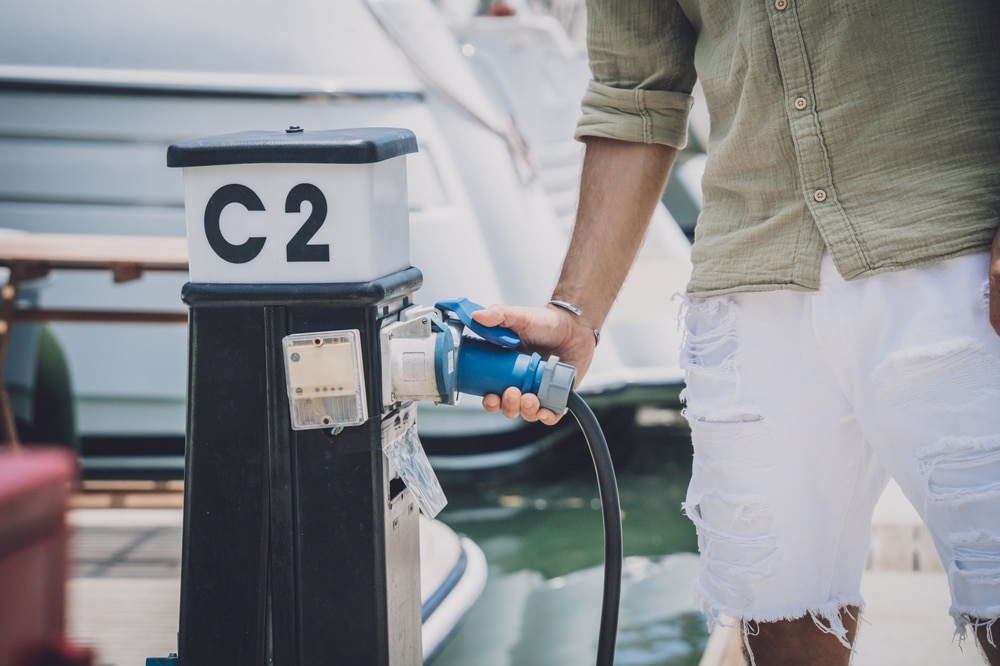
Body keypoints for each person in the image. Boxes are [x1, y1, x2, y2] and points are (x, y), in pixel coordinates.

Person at [471, 1, 1000, 664]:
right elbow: (636, 89)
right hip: (749, 273)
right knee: (774, 617)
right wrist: (576, 313)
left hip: (960, 250)